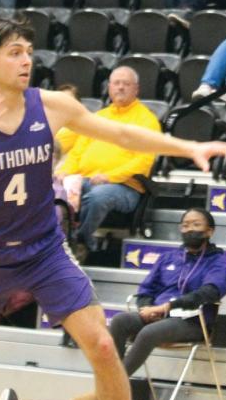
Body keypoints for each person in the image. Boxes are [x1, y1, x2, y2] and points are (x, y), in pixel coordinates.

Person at [0, 17, 226, 400]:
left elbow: (123, 134)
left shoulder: (48, 106)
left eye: (28, 50)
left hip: (44, 248)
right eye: (14, 52)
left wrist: (187, 147)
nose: (27, 59)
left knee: (104, 344)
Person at [71, 207, 226, 400]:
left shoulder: (217, 260)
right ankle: (106, 391)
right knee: (120, 321)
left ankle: (103, 397)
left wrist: (169, 307)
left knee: (149, 333)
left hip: (192, 321)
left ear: (209, 231)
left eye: (196, 225)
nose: (189, 229)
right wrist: (146, 309)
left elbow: (210, 291)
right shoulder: (169, 258)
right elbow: (146, 289)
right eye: (185, 225)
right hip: (158, 315)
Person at [54, 66, 161, 262]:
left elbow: (143, 162)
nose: (120, 88)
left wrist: (110, 177)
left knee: (98, 196)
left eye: (126, 84)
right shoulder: (99, 117)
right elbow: (78, 151)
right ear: (109, 87)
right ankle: (54, 243)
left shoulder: (147, 120)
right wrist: (65, 172)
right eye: (116, 83)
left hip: (124, 187)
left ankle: (81, 242)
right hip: (85, 179)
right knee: (54, 189)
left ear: (136, 89)